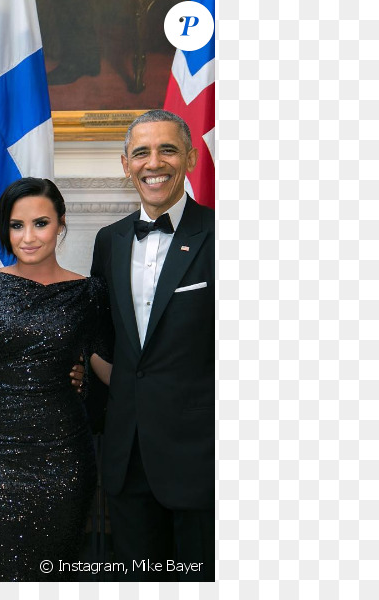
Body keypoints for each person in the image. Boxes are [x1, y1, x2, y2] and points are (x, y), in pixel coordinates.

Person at [0, 177, 113, 581]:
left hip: (65, 457)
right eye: (17, 225)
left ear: (61, 224)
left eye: (40, 223)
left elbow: (107, 369)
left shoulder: (90, 292)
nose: (28, 237)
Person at [89, 109, 214, 581]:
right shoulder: (110, 240)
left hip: (200, 457)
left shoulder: (223, 236)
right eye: (141, 151)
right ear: (126, 164)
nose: (153, 162)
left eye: (167, 149)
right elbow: (104, 337)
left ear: (191, 157)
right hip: (127, 458)